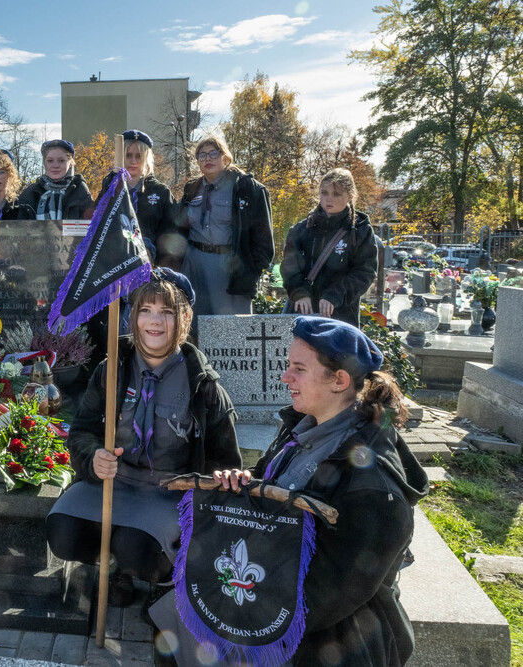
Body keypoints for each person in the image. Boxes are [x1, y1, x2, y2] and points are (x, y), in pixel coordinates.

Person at [205, 316, 428, 667]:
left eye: (298, 368)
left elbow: (323, 599)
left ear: (339, 381)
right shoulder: (306, 428)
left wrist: (238, 625)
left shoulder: (372, 491)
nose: (285, 377)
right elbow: (272, 484)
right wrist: (244, 484)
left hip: (333, 643)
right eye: (287, 365)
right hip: (276, 600)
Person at [46, 268, 242, 608]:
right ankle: (111, 569)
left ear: (184, 318)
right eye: (146, 310)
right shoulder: (112, 369)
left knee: (136, 549)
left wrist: (213, 487)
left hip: (167, 494)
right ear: (133, 315)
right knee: (62, 532)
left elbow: (225, 463)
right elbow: (82, 430)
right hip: (111, 484)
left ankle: (161, 576)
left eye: (166, 312)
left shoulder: (205, 388)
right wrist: (93, 456)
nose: (155, 321)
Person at [157, 135, 273, 316]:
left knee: (230, 329)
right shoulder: (192, 189)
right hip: (194, 266)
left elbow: (264, 241)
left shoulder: (247, 188)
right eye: (201, 156)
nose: (208, 159)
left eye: (213, 153)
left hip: (231, 268)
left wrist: (251, 272)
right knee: (193, 323)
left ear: (225, 157)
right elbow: (177, 227)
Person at [281, 168, 379, 326]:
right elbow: (289, 267)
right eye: (324, 193)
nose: (329, 199)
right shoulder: (300, 229)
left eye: (336, 194)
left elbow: (364, 272)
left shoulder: (361, 231)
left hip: (341, 313)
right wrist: (299, 293)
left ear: (350, 196)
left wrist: (335, 295)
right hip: (303, 312)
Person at [97, 130, 175, 256]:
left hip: (151, 262)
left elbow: (171, 231)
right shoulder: (109, 189)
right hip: (115, 261)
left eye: (138, 156)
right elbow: (97, 225)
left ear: (146, 159)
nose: (133, 161)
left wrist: (162, 262)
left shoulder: (161, 192)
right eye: (128, 155)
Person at [18, 139, 94, 220]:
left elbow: (91, 227)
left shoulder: (81, 192)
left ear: (70, 163)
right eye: (50, 161)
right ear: (44, 163)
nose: (55, 165)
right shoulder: (29, 194)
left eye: (61, 160)